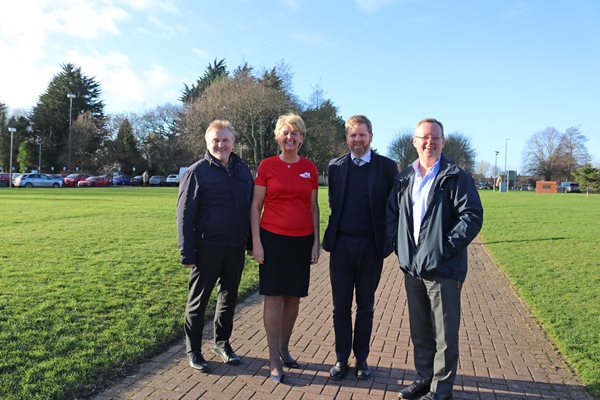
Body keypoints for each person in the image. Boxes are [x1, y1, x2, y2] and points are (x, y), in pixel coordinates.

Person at [387, 118, 483, 400]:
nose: (430, 142)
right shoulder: (405, 176)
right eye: (424, 137)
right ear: (414, 142)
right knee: (420, 331)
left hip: (444, 269)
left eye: (435, 138)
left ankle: (441, 390)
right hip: (413, 269)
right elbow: (392, 214)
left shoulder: (456, 177)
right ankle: (424, 378)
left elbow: (472, 217)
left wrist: (442, 250)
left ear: (443, 141)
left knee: (444, 333)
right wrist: (399, 247)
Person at [322, 115, 398, 380]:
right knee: (340, 307)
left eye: (362, 135)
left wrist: (389, 241)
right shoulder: (336, 167)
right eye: (353, 135)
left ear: (371, 137)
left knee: (365, 306)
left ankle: (362, 359)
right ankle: (341, 359)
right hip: (341, 245)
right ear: (347, 138)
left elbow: (393, 208)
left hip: (371, 247)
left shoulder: (387, 167)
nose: (358, 140)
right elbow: (334, 203)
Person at [176, 120, 253, 373]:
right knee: (198, 302)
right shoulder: (196, 172)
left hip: (234, 248)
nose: (221, 145)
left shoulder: (243, 171)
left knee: (228, 300)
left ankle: (222, 344)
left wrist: (251, 242)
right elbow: (184, 215)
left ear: (233, 142)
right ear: (208, 143)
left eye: (226, 140)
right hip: (206, 248)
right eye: (216, 141)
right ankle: (194, 350)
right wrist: (187, 252)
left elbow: (250, 210)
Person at [250, 113, 320, 383]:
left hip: (301, 240)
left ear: (301, 138)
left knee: (293, 298)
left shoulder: (310, 168)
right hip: (273, 239)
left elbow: (313, 207)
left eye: (295, 133)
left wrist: (315, 242)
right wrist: (256, 242)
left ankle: (283, 347)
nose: (290, 137)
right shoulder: (267, 166)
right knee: (274, 298)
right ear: (278, 137)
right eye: (285, 133)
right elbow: (255, 206)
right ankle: (273, 359)